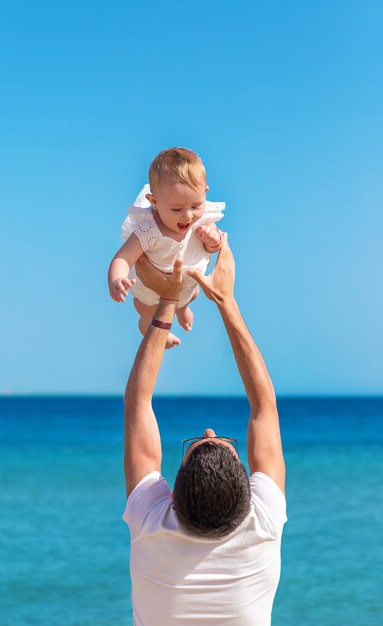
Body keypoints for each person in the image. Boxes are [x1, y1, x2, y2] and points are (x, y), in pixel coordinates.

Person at [122, 234, 287, 626]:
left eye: (198, 443)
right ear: (249, 494)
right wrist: (226, 301)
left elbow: (138, 403)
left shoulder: (153, 522)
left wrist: (168, 300)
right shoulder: (261, 521)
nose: (211, 430)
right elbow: (264, 407)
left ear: (173, 495)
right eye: (225, 443)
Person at [107, 147, 225, 348]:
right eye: (176, 209)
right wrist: (117, 279)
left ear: (205, 193)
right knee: (146, 310)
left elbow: (211, 249)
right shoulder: (149, 229)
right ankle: (149, 328)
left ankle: (181, 309)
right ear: (154, 202)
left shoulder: (203, 219)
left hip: (186, 282)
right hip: (152, 292)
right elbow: (123, 258)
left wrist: (214, 241)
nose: (188, 215)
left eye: (195, 206)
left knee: (193, 293)